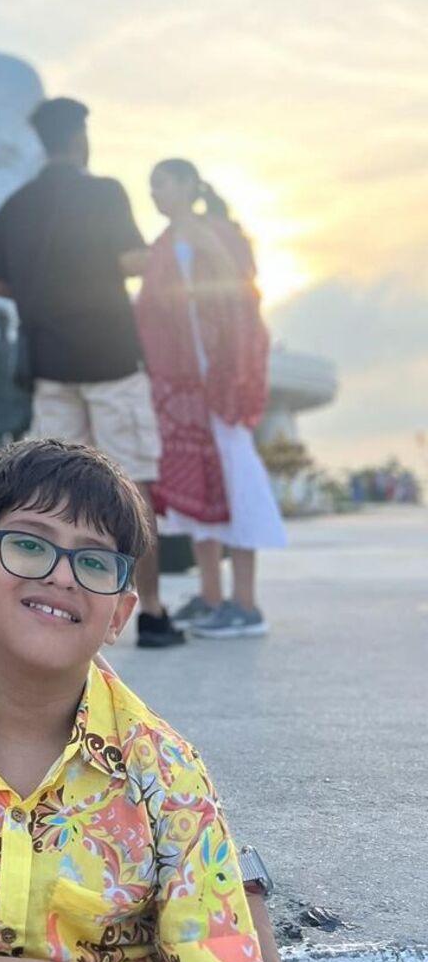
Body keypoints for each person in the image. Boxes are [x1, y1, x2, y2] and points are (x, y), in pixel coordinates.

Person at [0, 440, 283, 962]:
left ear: (120, 613)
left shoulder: (165, 775)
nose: (61, 575)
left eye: (94, 561)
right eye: (30, 545)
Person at [0, 97, 182, 648]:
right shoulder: (104, 193)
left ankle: (51, 612)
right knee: (134, 481)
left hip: (50, 361)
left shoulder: (17, 204)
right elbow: (131, 261)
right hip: (110, 357)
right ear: (80, 140)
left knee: (53, 489)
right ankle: (154, 611)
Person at [136, 161, 286, 639]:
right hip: (181, 387)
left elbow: (243, 294)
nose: (155, 194)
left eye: (161, 184)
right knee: (197, 486)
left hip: (221, 379)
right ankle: (212, 596)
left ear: (186, 185)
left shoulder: (220, 232)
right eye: (151, 187)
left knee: (237, 478)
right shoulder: (161, 245)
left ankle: (245, 603)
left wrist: (209, 250)